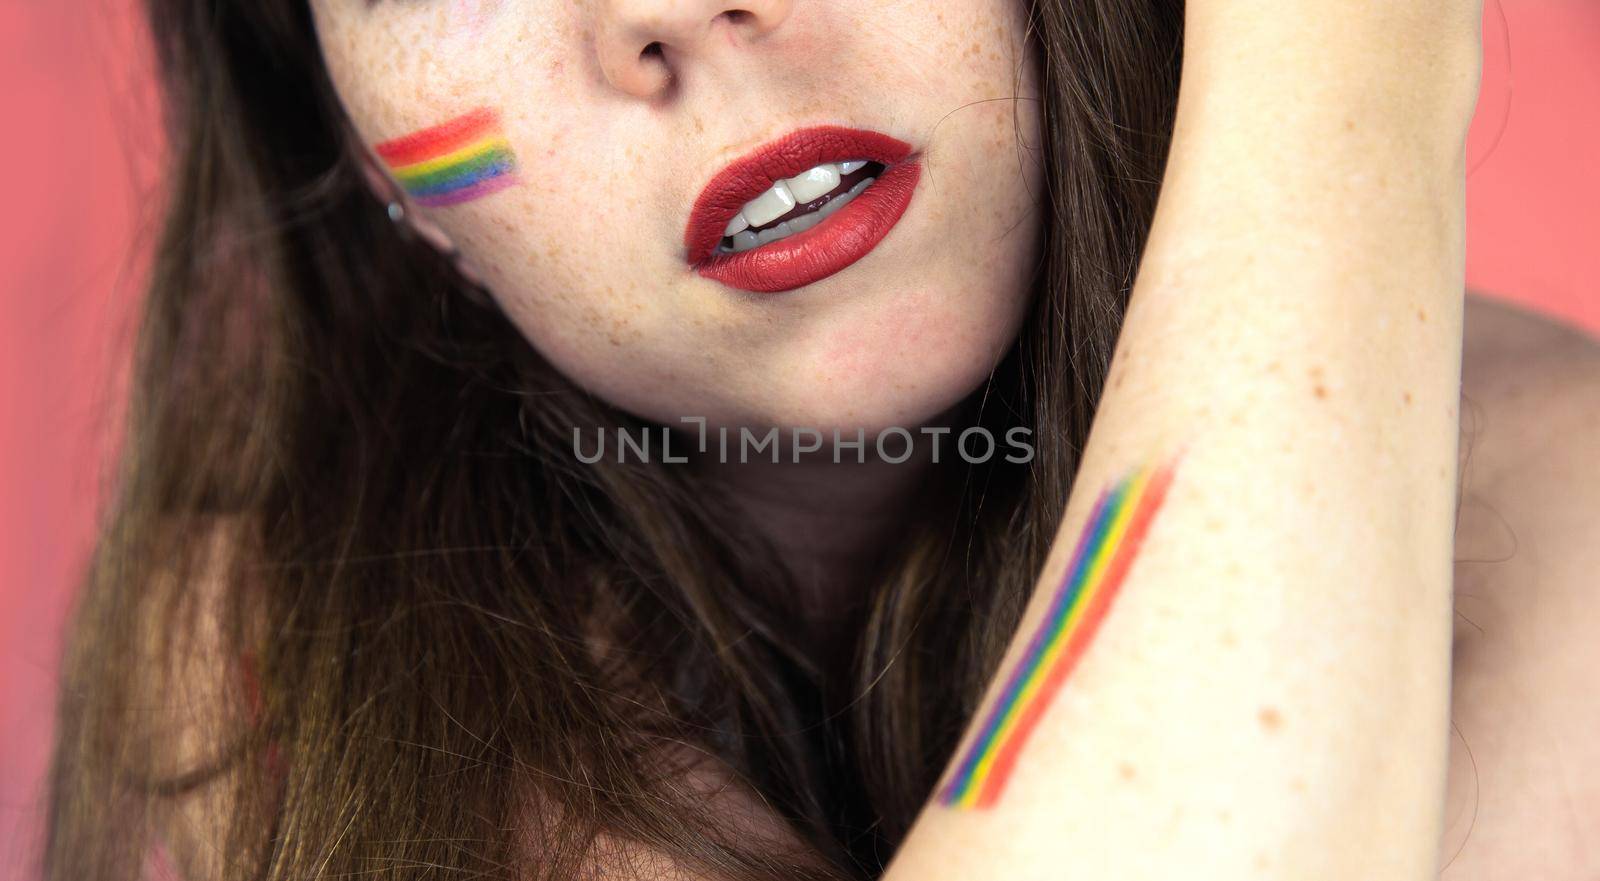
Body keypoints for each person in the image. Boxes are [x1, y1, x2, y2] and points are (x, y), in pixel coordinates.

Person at [43, 0, 1599, 879]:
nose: (662, 10)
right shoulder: (279, 659)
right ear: (346, 139)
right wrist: (1356, 61)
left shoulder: (1565, 515)